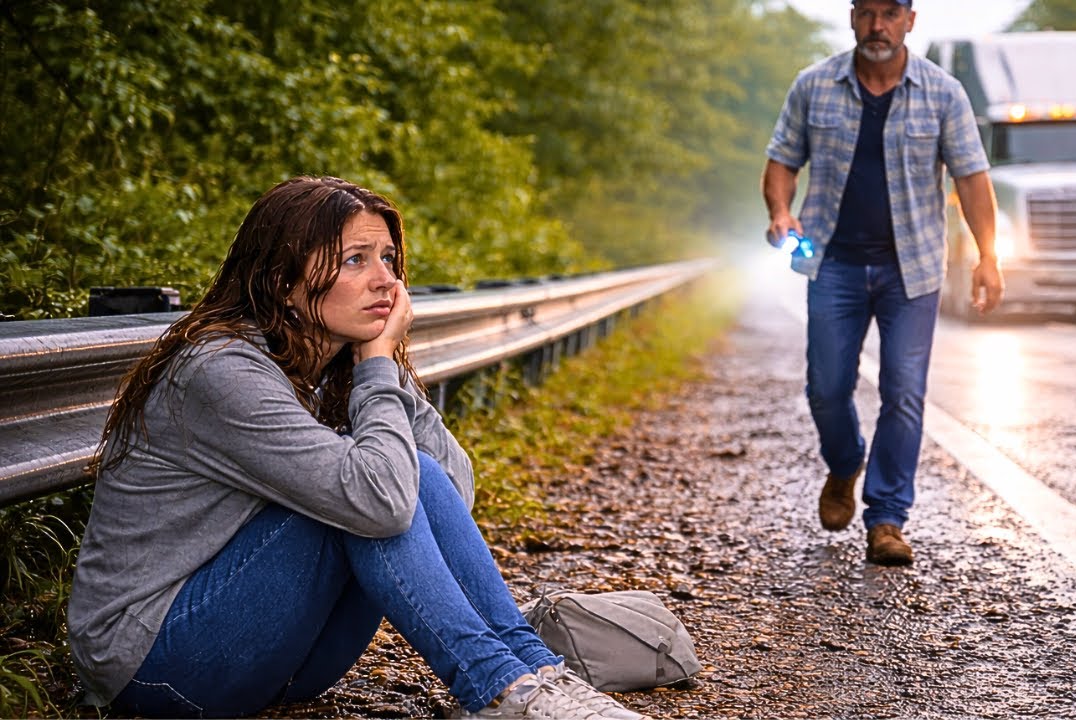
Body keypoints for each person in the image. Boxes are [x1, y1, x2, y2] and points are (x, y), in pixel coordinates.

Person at [67, 176, 648, 719]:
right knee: (369, 491)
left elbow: (450, 487)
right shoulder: (222, 372)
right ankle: (499, 686)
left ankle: (534, 670)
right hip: (157, 662)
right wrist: (374, 372)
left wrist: (379, 371)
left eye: (388, 260)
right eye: (355, 261)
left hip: (286, 661)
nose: (387, 283)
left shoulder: (330, 364)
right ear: (280, 281)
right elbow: (386, 502)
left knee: (392, 477)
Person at [762, 0, 1003, 566]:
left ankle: (887, 518)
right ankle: (845, 464)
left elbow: (971, 179)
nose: (878, 26)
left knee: (904, 391)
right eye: (868, 13)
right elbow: (781, 161)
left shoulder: (944, 93)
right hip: (833, 264)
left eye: (890, 14)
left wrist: (989, 255)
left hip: (912, 270)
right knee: (826, 387)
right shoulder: (813, 85)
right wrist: (780, 210)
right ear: (851, 17)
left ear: (910, 21)